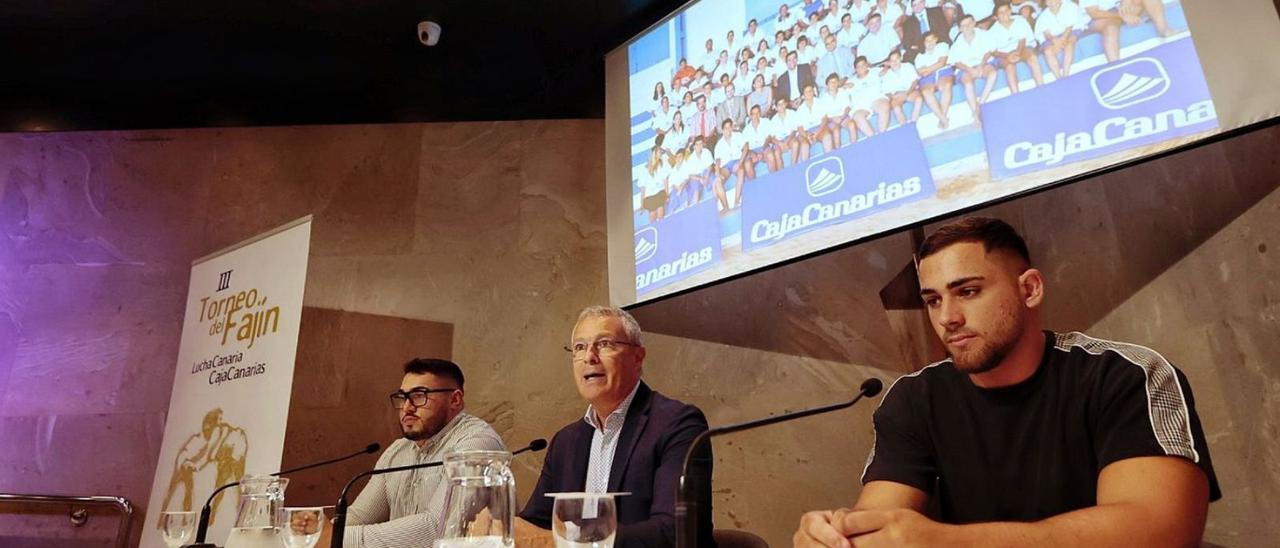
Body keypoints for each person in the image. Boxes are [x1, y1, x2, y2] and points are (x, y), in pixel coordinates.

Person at [793, 216, 1221, 547]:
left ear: (1030, 289)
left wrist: (949, 542)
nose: (947, 318)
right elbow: (885, 521)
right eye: (933, 300)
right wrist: (840, 535)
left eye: (968, 292)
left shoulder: (1126, 374)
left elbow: (1161, 531)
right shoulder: (914, 398)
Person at [516, 307, 717, 548]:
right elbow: (533, 526)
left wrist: (566, 543)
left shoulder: (679, 425)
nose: (589, 357)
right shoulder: (565, 443)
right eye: (579, 347)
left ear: (638, 357)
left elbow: (674, 531)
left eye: (604, 344)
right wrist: (501, 527)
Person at [317, 358, 506, 548]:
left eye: (419, 395)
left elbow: (436, 529)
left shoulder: (478, 444)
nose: (406, 407)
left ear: (455, 400)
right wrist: (315, 533)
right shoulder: (398, 451)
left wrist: (334, 538)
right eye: (402, 397)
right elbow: (360, 515)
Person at [1080, 0, 1177, 63]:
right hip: (1096, 19)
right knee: (1110, 26)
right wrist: (1123, 16)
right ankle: (1115, 64)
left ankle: (1164, 31)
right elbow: (1094, 14)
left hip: (1119, 10)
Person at [949, 14, 998, 122]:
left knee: (993, 74)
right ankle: (975, 112)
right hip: (966, 68)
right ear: (960, 28)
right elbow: (956, 62)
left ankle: (980, 106)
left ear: (974, 23)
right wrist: (969, 70)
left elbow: (989, 51)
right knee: (968, 83)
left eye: (969, 23)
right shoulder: (957, 44)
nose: (967, 27)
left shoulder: (984, 34)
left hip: (983, 64)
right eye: (964, 26)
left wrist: (981, 65)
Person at [986, 2, 1043, 95]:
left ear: (1010, 11)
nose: (1005, 14)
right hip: (1003, 54)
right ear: (996, 17)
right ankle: (1016, 95)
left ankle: (1041, 87)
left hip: (1022, 48)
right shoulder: (992, 31)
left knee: (1032, 57)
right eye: (1001, 12)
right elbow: (994, 52)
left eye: (1006, 10)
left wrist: (1017, 53)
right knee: (1009, 67)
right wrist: (1008, 56)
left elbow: (1022, 40)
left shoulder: (1020, 21)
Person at [1035, 0, 1086, 79]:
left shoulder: (1069, 6)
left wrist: (1062, 40)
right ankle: (1059, 78)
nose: (1051, 3)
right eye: (1048, 1)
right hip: (1054, 37)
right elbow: (1047, 34)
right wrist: (1055, 41)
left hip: (1071, 30)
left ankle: (1066, 75)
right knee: (1047, 51)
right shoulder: (1043, 16)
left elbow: (1070, 27)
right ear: (1045, 3)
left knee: (1068, 44)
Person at [914, 32, 956, 129]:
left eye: (932, 39)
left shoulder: (942, 46)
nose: (930, 43)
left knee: (946, 86)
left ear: (936, 39)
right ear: (923, 43)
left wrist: (928, 69)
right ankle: (943, 119)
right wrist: (934, 66)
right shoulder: (920, 56)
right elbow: (921, 72)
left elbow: (942, 63)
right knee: (926, 92)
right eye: (927, 41)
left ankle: (943, 118)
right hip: (928, 77)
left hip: (943, 71)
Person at [877, 48, 923, 129]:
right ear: (889, 62)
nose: (894, 62)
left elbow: (914, 81)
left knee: (919, 99)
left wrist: (907, 93)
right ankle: (906, 128)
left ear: (901, 58)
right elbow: (886, 92)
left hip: (910, 91)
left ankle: (913, 122)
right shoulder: (886, 74)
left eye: (896, 59)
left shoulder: (908, 66)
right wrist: (894, 96)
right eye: (892, 60)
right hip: (896, 95)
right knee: (896, 108)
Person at [847, 55, 890, 140]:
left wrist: (886, 66)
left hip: (876, 100)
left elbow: (885, 70)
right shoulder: (850, 81)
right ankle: (874, 139)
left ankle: (882, 135)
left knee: (884, 106)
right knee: (857, 116)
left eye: (863, 65)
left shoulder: (875, 71)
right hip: (861, 106)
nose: (862, 68)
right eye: (859, 67)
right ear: (855, 69)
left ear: (867, 65)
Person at [713, 118, 751, 210]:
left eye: (730, 127)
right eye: (726, 128)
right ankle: (726, 208)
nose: (728, 130)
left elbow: (746, 147)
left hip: (736, 161)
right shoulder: (719, 144)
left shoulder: (738, 135)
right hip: (725, 166)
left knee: (741, 171)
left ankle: (736, 202)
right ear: (722, 130)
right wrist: (718, 173)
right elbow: (717, 162)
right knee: (717, 182)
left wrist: (740, 162)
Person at [741, 103, 781, 175]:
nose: (755, 116)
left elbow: (769, 137)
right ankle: (755, 185)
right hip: (752, 151)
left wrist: (762, 151)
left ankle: (775, 178)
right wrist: (753, 154)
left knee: (770, 155)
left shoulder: (766, 122)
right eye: (753, 114)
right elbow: (744, 148)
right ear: (750, 116)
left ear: (760, 113)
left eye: (757, 113)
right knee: (747, 164)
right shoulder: (746, 130)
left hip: (764, 147)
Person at [767, 96, 805, 166]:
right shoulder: (773, 120)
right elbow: (772, 138)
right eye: (779, 105)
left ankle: (793, 166)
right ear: (776, 107)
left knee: (795, 143)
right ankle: (782, 173)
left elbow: (794, 131)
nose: (781, 106)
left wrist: (787, 141)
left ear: (786, 104)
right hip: (780, 141)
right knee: (776, 152)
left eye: (783, 104)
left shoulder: (792, 113)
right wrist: (780, 143)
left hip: (790, 138)